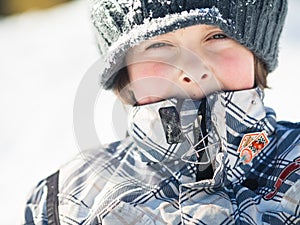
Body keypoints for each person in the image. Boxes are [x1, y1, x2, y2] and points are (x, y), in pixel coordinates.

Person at [24, 0, 300, 224]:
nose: (193, 68)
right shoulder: (69, 200)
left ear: (257, 52)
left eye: (217, 35)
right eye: (158, 45)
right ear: (125, 73)